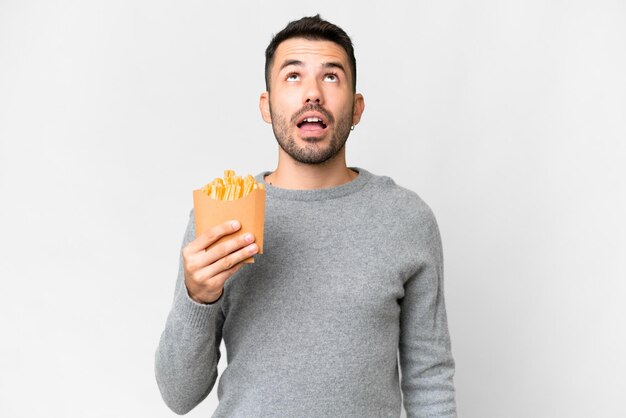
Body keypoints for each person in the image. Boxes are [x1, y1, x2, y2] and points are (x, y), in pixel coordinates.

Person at [155, 15, 457, 417]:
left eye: (331, 77)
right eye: (293, 77)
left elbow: (429, 380)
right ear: (267, 105)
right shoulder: (221, 214)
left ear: (356, 107)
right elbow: (179, 396)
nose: (312, 93)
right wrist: (198, 297)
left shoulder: (407, 219)